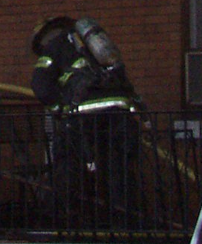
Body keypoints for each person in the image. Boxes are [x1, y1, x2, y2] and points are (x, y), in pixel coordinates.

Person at [31, 17, 142, 225]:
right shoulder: (96, 47)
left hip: (84, 116)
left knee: (68, 168)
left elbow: (41, 86)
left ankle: (66, 223)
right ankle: (125, 225)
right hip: (119, 112)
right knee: (118, 171)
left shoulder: (54, 46)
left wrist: (59, 109)